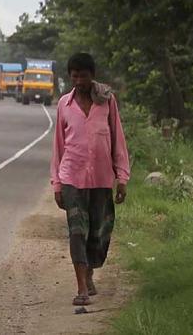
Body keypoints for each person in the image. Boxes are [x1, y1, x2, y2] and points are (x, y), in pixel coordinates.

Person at [50, 53, 130, 306]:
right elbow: (58, 147)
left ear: (92, 75)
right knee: (77, 232)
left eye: (83, 75)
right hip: (72, 177)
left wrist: (122, 177)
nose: (78, 80)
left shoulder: (107, 101)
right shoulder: (65, 104)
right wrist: (57, 184)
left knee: (99, 233)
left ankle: (90, 271)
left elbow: (118, 139)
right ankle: (82, 287)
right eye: (74, 76)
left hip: (102, 178)